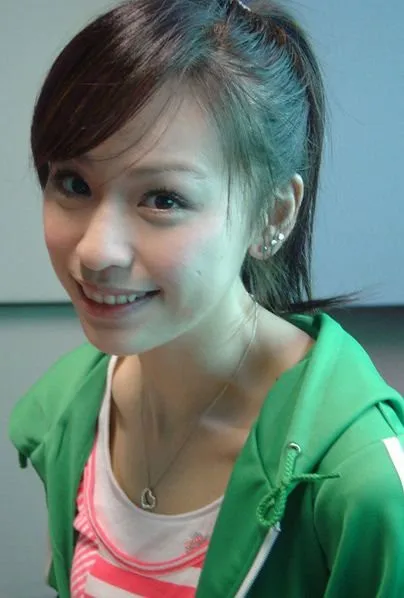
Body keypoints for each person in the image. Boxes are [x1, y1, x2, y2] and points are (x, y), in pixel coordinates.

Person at [8, 0, 404, 596]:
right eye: (74, 183)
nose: (95, 251)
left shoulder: (358, 484)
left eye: (163, 199)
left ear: (274, 215)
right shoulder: (68, 413)